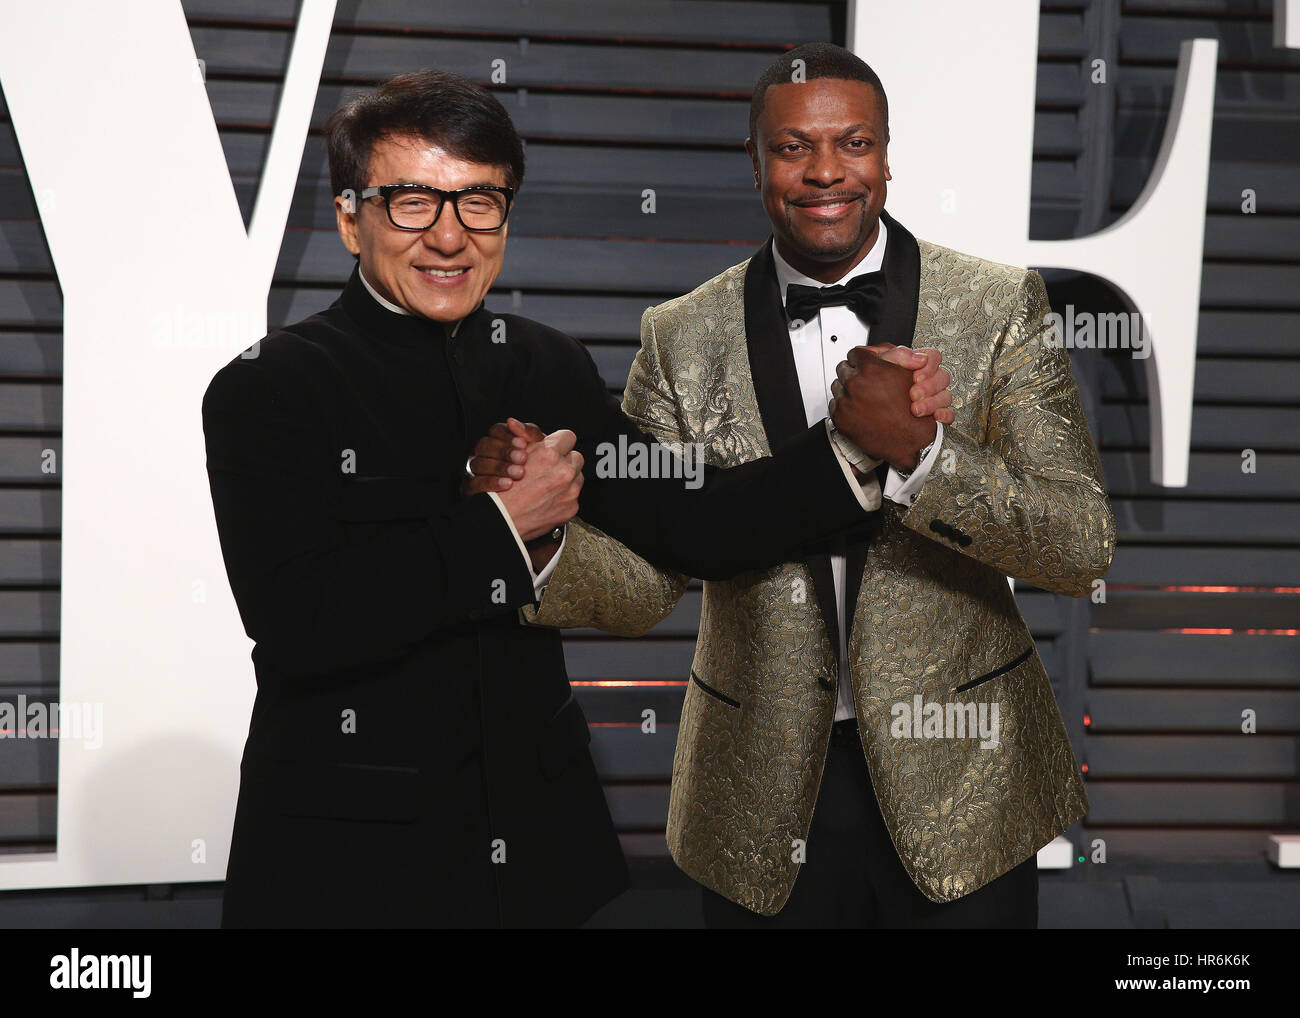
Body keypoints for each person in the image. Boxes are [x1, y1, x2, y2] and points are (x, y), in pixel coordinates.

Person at [201, 68, 955, 927]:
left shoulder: (542, 363)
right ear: (349, 217)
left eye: (480, 202)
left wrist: (855, 448)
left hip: (534, 852)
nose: (449, 236)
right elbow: (300, 622)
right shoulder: (268, 388)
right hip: (348, 864)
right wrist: (500, 527)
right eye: (413, 202)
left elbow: (691, 519)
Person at [470, 43, 1115, 928]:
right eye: (791, 148)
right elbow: (649, 573)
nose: (824, 173)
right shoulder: (679, 335)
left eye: (853, 144)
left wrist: (927, 455)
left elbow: (1080, 543)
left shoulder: (1000, 305)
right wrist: (538, 540)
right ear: (755, 159)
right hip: (760, 788)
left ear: (887, 156)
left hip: (966, 773)